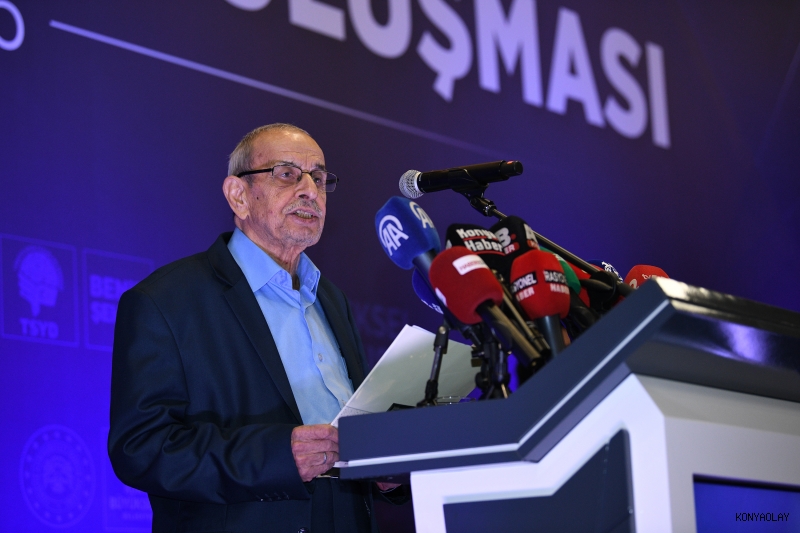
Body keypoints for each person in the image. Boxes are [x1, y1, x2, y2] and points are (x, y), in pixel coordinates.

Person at [109, 124, 404, 533]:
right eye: (287, 174)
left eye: (319, 179)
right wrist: (277, 457)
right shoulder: (165, 301)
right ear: (238, 195)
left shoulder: (331, 299)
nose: (310, 191)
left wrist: (385, 466)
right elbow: (140, 448)